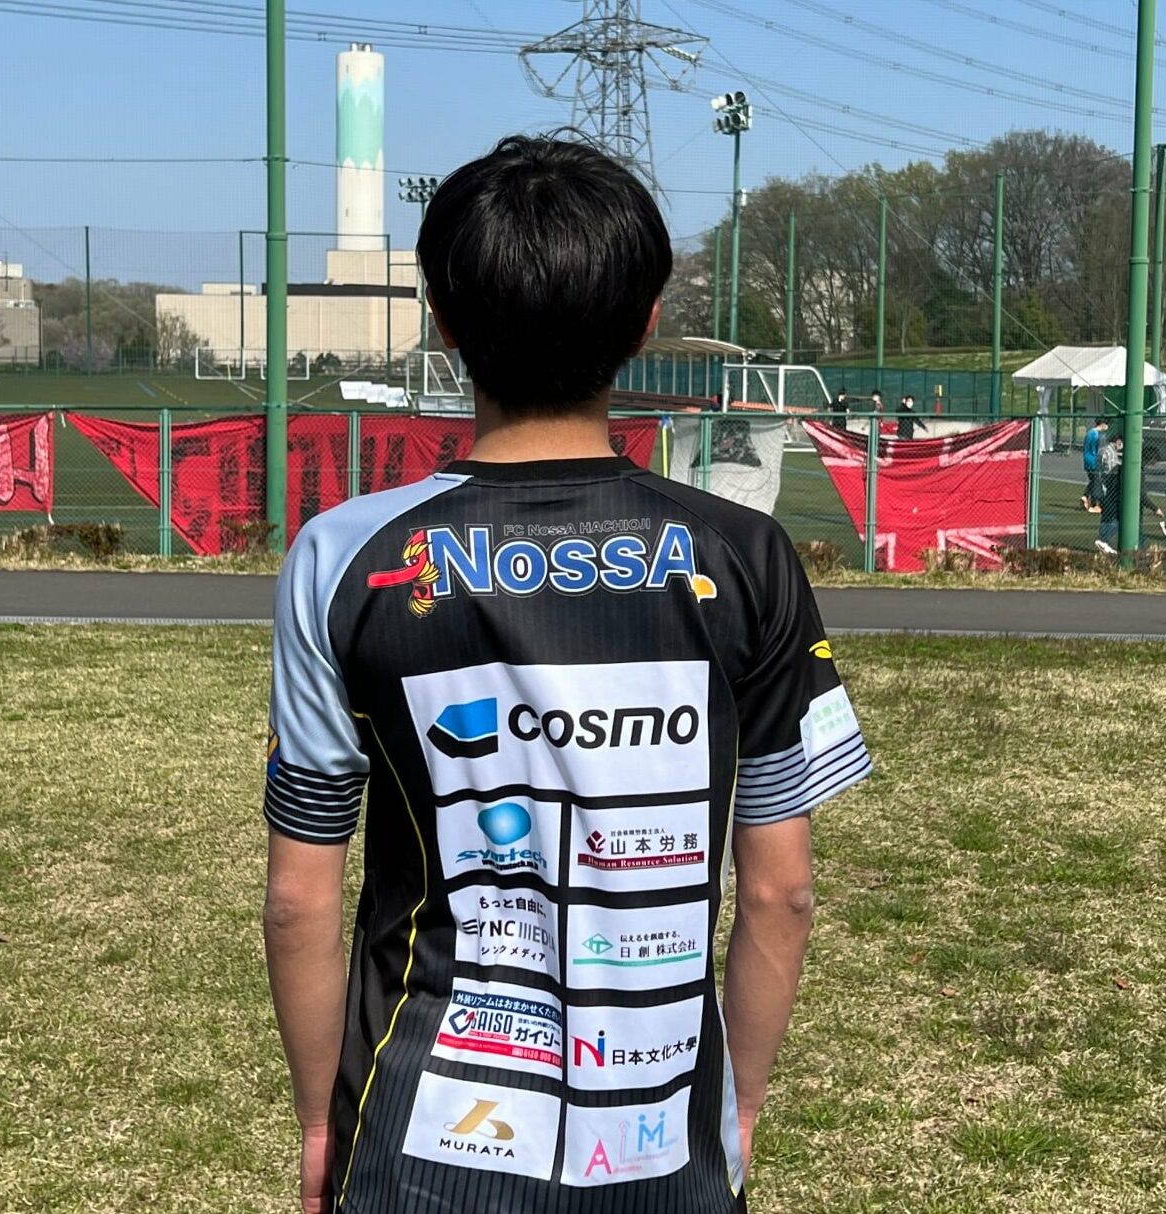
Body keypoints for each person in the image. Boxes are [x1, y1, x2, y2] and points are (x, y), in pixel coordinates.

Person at [262, 135, 871, 1214]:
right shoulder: (746, 553)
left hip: (413, 1140)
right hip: (663, 1146)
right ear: (645, 324)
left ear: (443, 323)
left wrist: (322, 1125)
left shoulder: (341, 553)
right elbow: (783, 890)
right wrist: (735, 1114)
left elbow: (297, 898)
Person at [1095, 433, 1164, 553]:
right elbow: (1141, 494)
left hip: (1114, 499)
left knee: (1125, 525)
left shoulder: (1124, 466)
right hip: (1123, 503)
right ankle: (1106, 541)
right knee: (1122, 523)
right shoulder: (1138, 471)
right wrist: (1155, 508)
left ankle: (1137, 548)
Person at [1081, 416, 1108, 512]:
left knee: (1093, 480)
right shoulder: (1097, 435)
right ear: (1102, 424)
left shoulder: (1089, 433)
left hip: (1087, 459)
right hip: (1094, 460)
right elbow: (1099, 450)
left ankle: (1086, 497)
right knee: (1097, 481)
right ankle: (1095, 504)